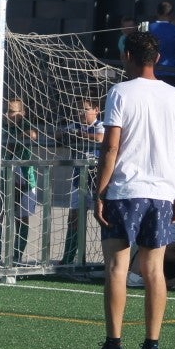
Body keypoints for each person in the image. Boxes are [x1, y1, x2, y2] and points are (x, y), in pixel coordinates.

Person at [86, 30, 175, 349]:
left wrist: (100, 190)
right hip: (161, 193)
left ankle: (113, 347)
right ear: (157, 58)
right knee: (154, 270)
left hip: (126, 190)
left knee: (117, 267)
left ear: (127, 55)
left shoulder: (120, 92)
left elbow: (111, 145)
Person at [0, 98, 39, 265]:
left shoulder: (25, 125)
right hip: (4, 178)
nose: (8, 115)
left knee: (21, 219)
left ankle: (17, 257)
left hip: (25, 178)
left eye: (13, 111)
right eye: (7, 111)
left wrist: (15, 140)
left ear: (22, 113)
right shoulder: (2, 126)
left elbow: (33, 135)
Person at [56, 97, 105, 266]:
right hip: (78, 179)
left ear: (96, 110)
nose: (80, 113)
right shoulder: (75, 126)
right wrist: (64, 134)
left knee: (103, 218)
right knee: (74, 218)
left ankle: (108, 258)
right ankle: (70, 258)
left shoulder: (101, 125)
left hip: (98, 181)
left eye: (85, 109)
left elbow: (99, 138)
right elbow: (58, 135)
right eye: (78, 110)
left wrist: (78, 135)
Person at [144, 0, 175, 87]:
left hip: (151, 73)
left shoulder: (148, 28)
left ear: (157, 12)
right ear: (171, 14)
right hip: (171, 74)